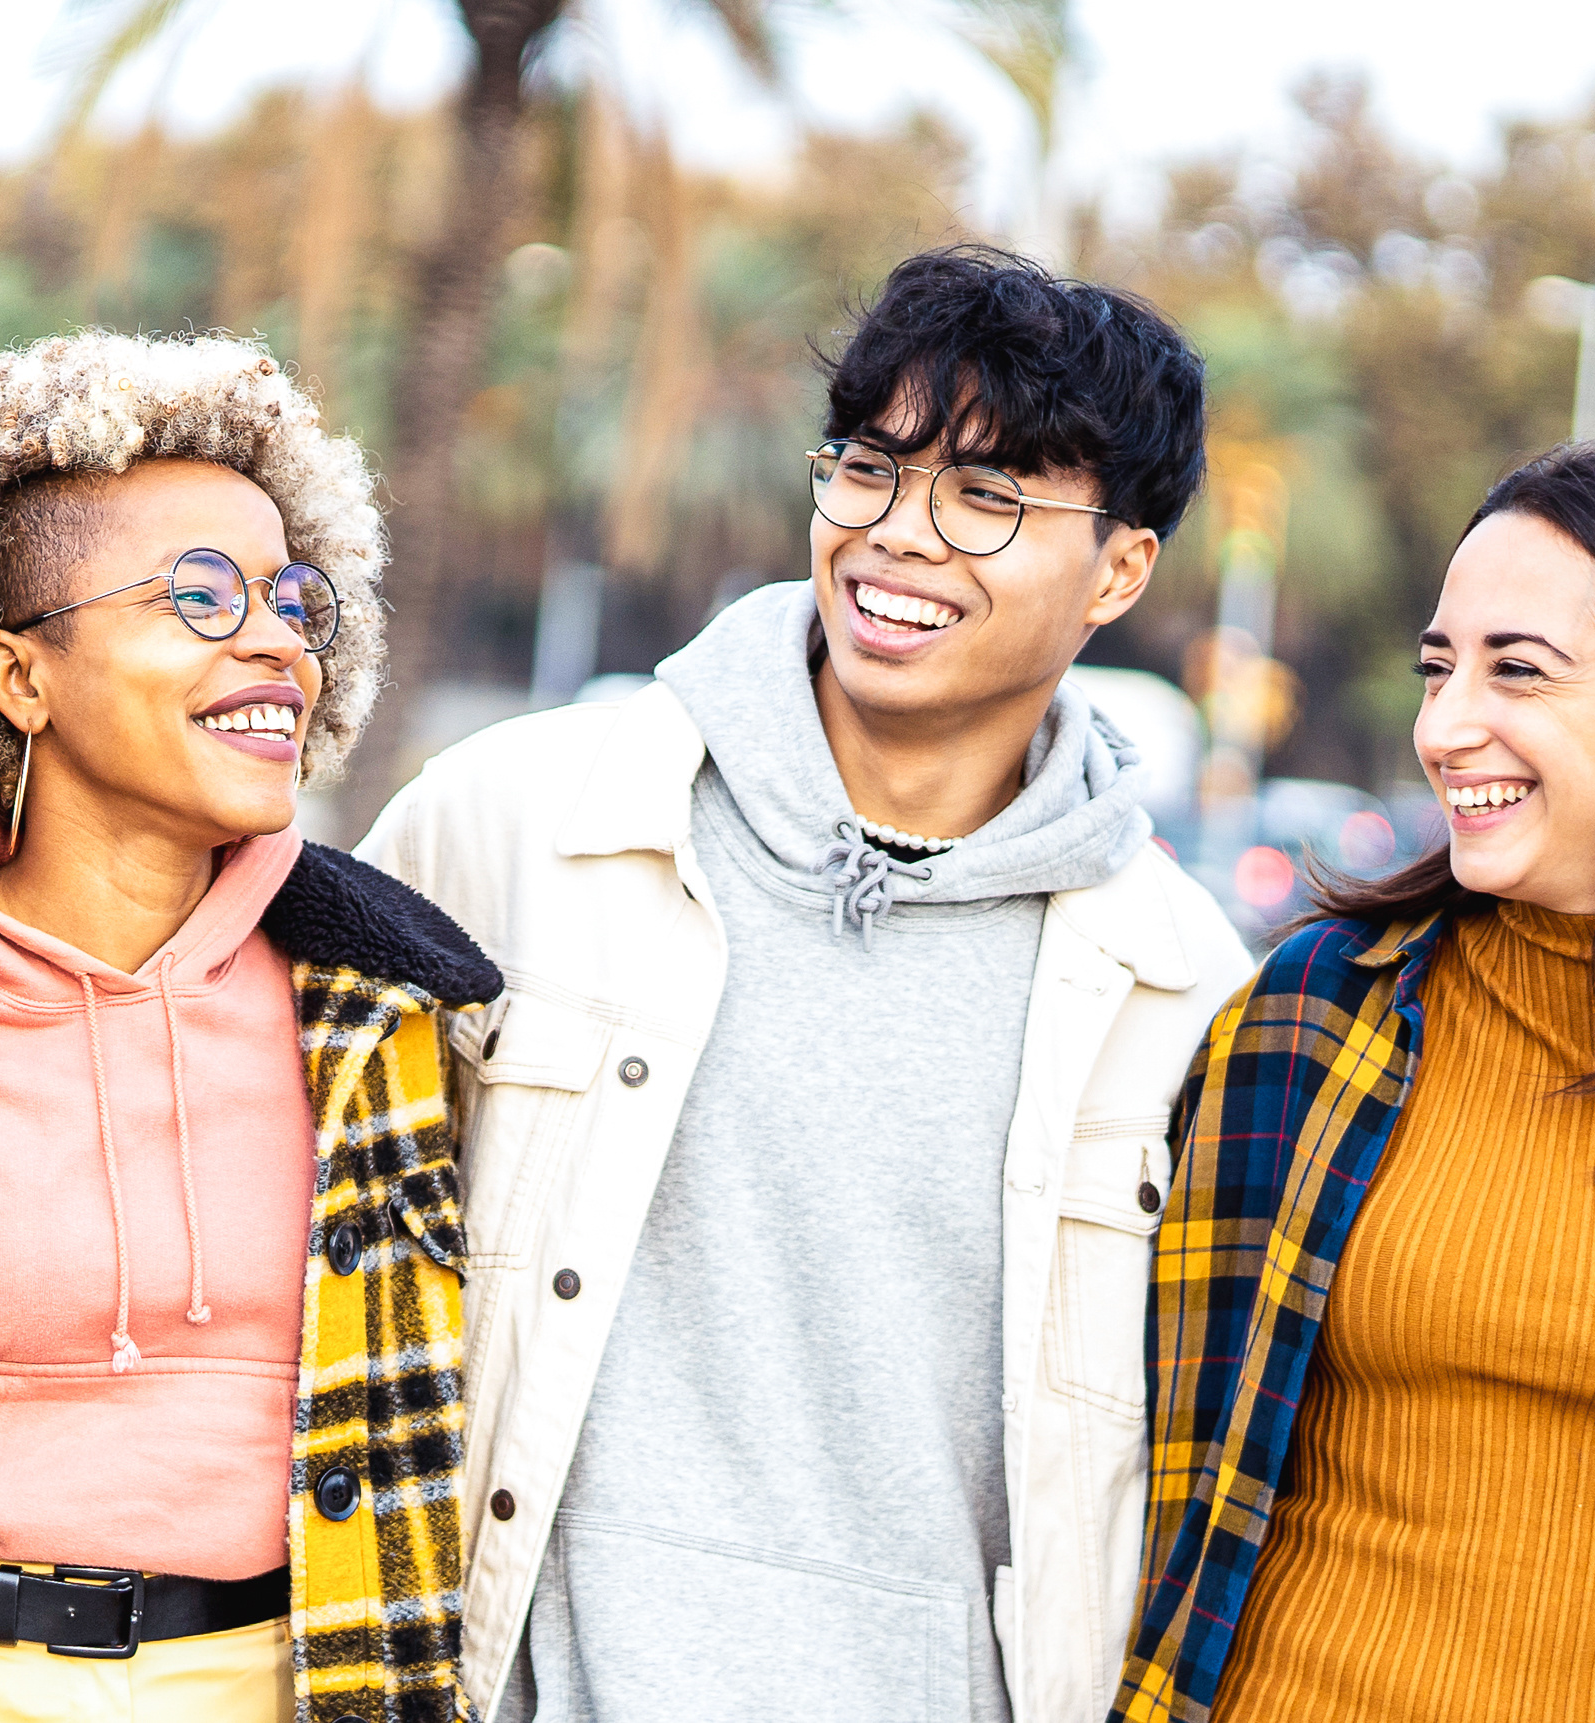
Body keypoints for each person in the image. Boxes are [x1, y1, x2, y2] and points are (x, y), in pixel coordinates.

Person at [357, 245, 1247, 1723]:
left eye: (989, 496)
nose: (901, 535)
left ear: (1121, 568)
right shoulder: (512, 820)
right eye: (870, 469)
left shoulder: (1176, 988)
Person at [0, 330, 492, 1723]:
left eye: (295, 598)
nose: (276, 639)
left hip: (298, 1683)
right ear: (17, 674)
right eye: (198, 595)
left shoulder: (385, 1012)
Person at [1117, 446, 1595, 1723]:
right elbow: (1143, 1447)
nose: (1443, 726)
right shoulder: (1319, 1015)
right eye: (1440, 667)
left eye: (1517, 671)